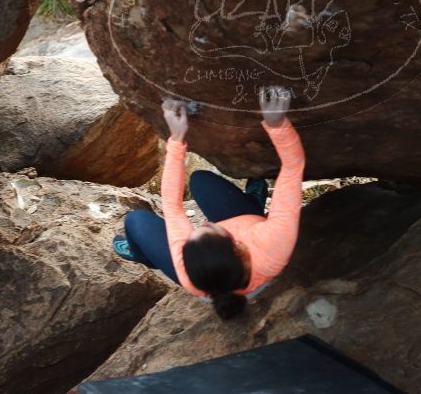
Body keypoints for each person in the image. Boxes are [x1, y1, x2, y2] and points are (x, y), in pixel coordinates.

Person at [112, 86, 305, 320]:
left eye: (194, 235)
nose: (202, 224)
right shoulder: (273, 242)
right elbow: (293, 166)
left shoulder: (189, 268)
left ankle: (145, 254)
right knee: (201, 183)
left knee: (139, 218)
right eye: (209, 228)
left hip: (225, 253)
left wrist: (177, 139)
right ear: (239, 246)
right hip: (254, 230)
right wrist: (277, 125)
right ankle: (252, 206)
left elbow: (173, 208)